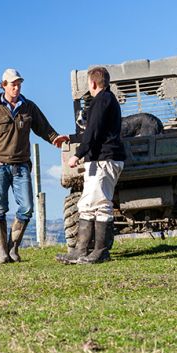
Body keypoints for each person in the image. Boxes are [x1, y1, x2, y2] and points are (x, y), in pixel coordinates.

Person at [0, 68, 69, 264]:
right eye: (13, 84)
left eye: (19, 84)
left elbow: (43, 127)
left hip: (21, 166)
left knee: (27, 208)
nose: (17, 87)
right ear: (3, 85)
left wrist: (55, 139)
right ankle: (2, 251)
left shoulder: (28, 107)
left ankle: (13, 247)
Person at [57, 66, 126, 264]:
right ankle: (81, 250)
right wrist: (71, 138)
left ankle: (100, 251)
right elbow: (95, 130)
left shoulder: (101, 100)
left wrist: (77, 154)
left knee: (101, 204)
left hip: (104, 159)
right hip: (99, 160)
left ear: (93, 83)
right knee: (87, 204)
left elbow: (93, 130)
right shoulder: (107, 100)